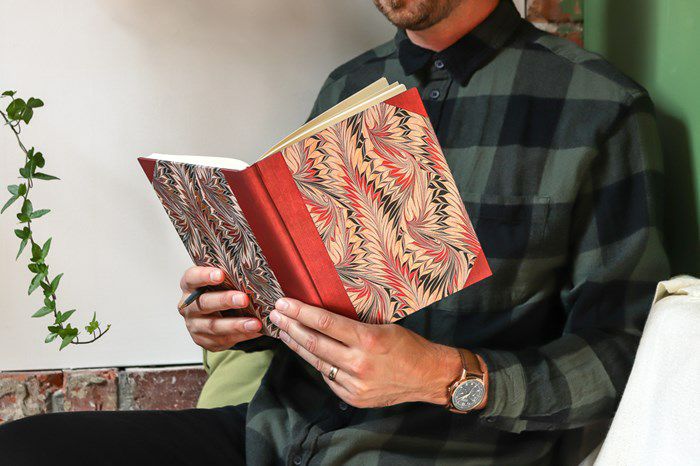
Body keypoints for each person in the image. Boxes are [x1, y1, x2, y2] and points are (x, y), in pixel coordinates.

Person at [0, 0, 669, 464]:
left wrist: (443, 376)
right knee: (25, 449)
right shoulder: (350, 85)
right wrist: (235, 318)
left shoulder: (598, 109)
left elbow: (622, 357)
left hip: (438, 452)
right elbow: (319, 290)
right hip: (275, 437)